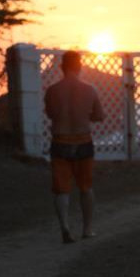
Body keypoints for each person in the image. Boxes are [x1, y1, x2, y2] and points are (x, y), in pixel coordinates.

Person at [44, 50, 105, 243]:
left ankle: (65, 227)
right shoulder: (90, 90)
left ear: (62, 67)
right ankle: (87, 229)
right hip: (83, 141)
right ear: (79, 66)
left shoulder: (52, 91)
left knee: (61, 189)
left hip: (60, 141)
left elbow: (51, 114)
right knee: (86, 187)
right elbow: (99, 116)